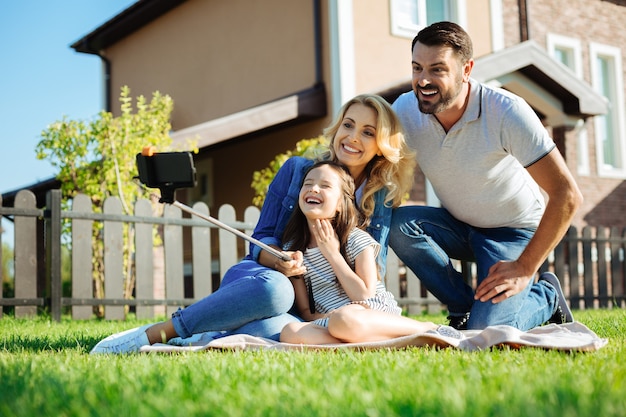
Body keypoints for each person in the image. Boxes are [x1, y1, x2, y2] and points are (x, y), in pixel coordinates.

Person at [90, 93, 416, 354]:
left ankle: (202, 334)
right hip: (264, 278)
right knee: (276, 291)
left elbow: (372, 278)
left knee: (267, 331)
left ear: (380, 146)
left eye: (368, 132)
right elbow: (261, 240)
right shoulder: (298, 171)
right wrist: (282, 261)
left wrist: (332, 272)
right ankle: (157, 332)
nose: (353, 137)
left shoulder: (378, 197)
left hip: (322, 309)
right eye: (348, 125)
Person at [388, 21, 582, 331]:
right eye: (417, 68)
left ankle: (546, 296)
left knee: (489, 333)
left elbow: (567, 195)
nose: (423, 80)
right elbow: (375, 169)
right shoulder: (405, 111)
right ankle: (464, 308)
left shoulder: (506, 112)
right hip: (457, 224)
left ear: (466, 69)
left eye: (437, 69)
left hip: (512, 231)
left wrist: (524, 267)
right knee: (396, 224)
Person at [279, 161, 460, 344]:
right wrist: (327, 316)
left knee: (344, 320)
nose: (314, 189)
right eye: (308, 184)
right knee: (290, 332)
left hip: (369, 314)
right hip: (332, 321)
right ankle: (375, 344)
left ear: (341, 203)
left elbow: (364, 296)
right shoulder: (294, 248)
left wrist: (332, 254)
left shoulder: (356, 239)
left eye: (325, 185)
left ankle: (428, 329)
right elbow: (306, 312)